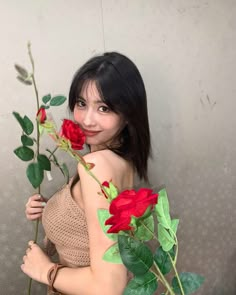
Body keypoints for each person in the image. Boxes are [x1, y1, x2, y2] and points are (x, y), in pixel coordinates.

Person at [22, 52, 151, 295]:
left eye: (104, 108)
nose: (87, 120)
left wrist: (45, 270)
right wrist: (54, 209)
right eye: (81, 103)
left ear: (128, 115)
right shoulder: (120, 161)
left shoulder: (97, 166)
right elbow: (94, 225)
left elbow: (109, 287)